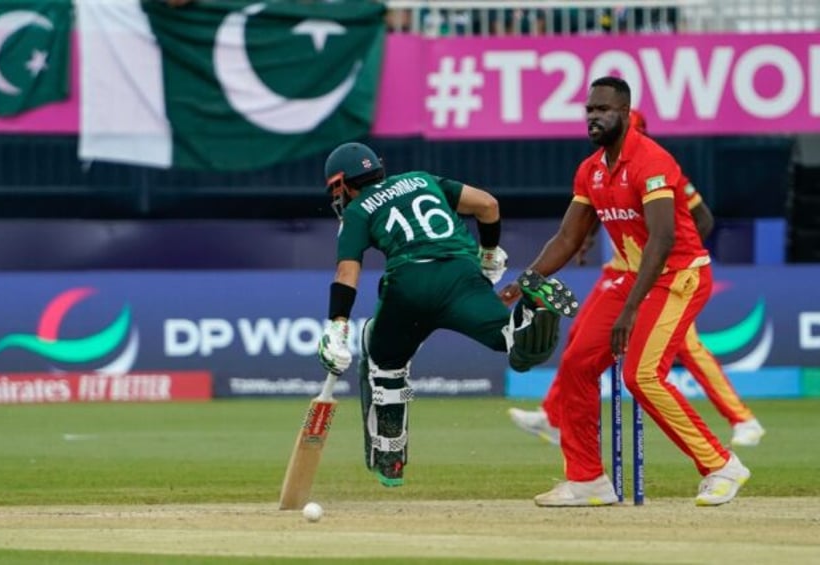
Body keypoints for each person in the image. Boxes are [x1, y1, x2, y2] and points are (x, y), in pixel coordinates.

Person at [499, 77, 750, 507]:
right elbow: (566, 237)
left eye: (604, 110)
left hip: (679, 277)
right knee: (578, 364)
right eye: (589, 110)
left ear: (626, 112)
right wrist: (529, 279)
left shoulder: (651, 161)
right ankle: (588, 481)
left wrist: (630, 311)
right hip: (635, 277)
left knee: (641, 375)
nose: (594, 117)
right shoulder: (591, 169)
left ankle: (721, 465)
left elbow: (663, 238)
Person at [315, 141, 579, 488]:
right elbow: (487, 205)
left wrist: (337, 325)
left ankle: (391, 456)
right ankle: (531, 312)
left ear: (343, 183)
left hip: (409, 284)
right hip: (461, 274)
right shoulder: (422, 179)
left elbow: (347, 274)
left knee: (386, 361)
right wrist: (488, 253)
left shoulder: (358, 209)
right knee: (508, 341)